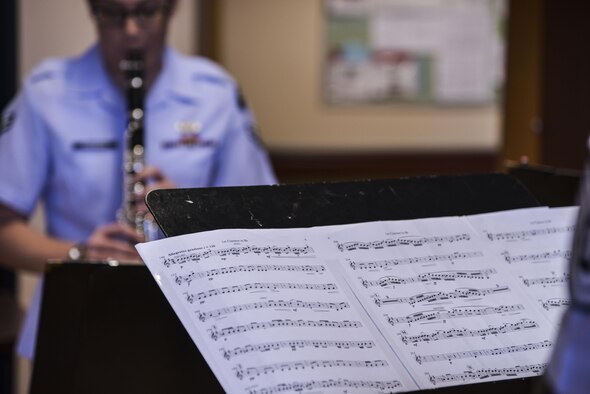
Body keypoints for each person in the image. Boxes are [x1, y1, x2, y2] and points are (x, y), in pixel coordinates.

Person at [0, 0, 276, 359]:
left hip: (193, 325)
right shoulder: (47, 93)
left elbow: (258, 221)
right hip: (78, 325)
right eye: (113, 13)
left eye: (146, 11)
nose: (131, 30)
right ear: (94, 13)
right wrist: (78, 255)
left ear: (170, 11)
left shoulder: (216, 93)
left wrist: (188, 213)